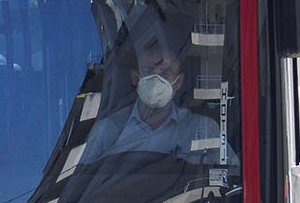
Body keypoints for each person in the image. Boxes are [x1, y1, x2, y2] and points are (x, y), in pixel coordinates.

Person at [84, 27, 234, 165]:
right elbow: (80, 182)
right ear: (135, 78)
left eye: (165, 73)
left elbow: (231, 175)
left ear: (179, 82)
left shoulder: (201, 129)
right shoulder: (108, 130)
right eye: (149, 70)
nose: (156, 79)